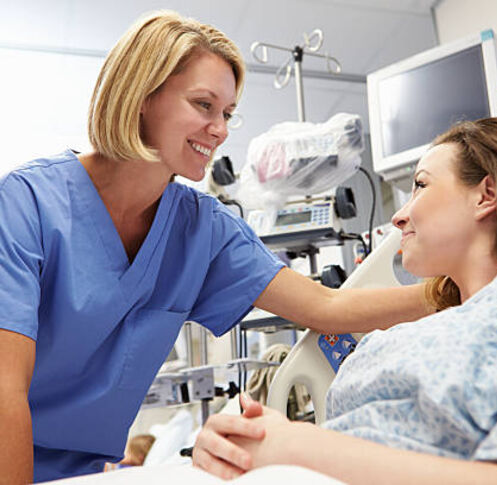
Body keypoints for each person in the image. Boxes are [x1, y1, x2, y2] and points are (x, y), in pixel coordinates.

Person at [0, 10, 433, 484]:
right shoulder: (27, 204)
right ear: (142, 95)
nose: (221, 129)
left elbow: (326, 306)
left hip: (81, 472)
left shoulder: (202, 229)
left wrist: (458, 290)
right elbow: (5, 387)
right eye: (203, 105)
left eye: (226, 114)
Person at [192, 117, 497, 484]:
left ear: (486, 195)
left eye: (421, 186)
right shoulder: (402, 338)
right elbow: (327, 310)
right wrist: (235, 445)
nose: (399, 217)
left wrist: (294, 445)